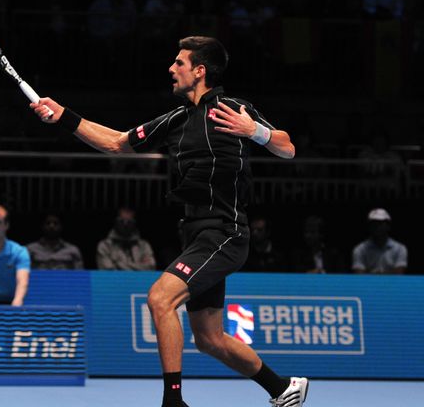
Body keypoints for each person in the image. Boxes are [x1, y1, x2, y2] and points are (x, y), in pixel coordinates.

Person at [30, 36, 306, 407]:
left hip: (225, 232)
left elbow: (287, 147)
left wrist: (255, 131)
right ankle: (283, 388)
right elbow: (116, 142)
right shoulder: (176, 120)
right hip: (195, 236)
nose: (171, 69)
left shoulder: (233, 108)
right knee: (209, 339)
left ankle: (173, 402)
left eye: (179, 63)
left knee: (160, 298)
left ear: (199, 71)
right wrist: (64, 116)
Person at [96, 207, 156, 271]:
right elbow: (107, 270)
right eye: (122, 221)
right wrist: (139, 266)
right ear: (116, 221)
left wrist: (118, 264)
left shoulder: (144, 246)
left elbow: (150, 267)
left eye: (129, 222)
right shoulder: (105, 245)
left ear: (134, 222)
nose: (125, 224)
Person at [351, 208, 407, 274]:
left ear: (388, 226)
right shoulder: (359, 249)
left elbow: (398, 276)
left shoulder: (400, 249)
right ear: (369, 227)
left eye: (380, 223)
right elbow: (360, 277)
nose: (377, 227)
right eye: (374, 223)